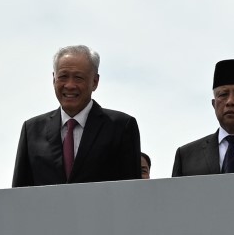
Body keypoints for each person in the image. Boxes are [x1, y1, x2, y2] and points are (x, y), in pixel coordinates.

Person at [11, 44, 143, 186]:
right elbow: (19, 194)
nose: (70, 85)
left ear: (95, 82)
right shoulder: (31, 130)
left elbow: (132, 193)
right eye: (63, 76)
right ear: (53, 79)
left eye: (78, 78)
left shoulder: (121, 127)